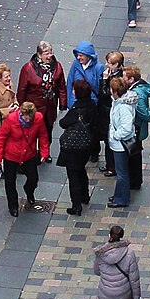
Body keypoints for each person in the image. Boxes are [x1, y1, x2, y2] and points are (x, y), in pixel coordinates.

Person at [0, 98, 49, 215]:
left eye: (30, 118)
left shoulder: (38, 118)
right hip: (11, 155)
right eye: (25, 117)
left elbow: (43, 135)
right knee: (10, 181)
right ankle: (13, 206)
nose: (28, 120)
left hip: (29, 154)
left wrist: (44, 152)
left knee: (33, 178)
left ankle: (29, 190)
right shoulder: (11, 119)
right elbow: (0, 139)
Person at [57, 81, 97, 215]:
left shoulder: (77, 109)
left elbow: (63, 123)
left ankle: (76, 205)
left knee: (73, 175)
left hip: (74, 148)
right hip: (87, 144)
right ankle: (85, 196)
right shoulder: (91, 105)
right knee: (81, 171)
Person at [17, 40, 67, 147]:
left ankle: (45, 151)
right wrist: (23, 107)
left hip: (50, 107)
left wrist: (63, 104)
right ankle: (32, 152)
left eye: (50, 52)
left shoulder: (57, 66)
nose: (49, 56)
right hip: (34, 107)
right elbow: (22, 90)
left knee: (48, 130)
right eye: (46, 54)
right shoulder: (28, 68)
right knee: (32, 131)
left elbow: (61, 85)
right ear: (39, 55)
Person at [107, 77, 138, 209]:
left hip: (120, 145)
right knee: (122, 172)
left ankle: (121, 199)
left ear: (115, 92)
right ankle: (119, 194)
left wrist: (114, 136)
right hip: (117, 143)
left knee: (121, 173)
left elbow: (126, 128)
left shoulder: (123, 107)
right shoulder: (118, 102)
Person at [123, 65, 150, 191]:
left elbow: (143, 112)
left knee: (134, 156)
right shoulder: (138, 89)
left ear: (131, 80)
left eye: (125, 77)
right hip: (137, 128)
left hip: (136, 128)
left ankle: (135, 181)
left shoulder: (137, 93)